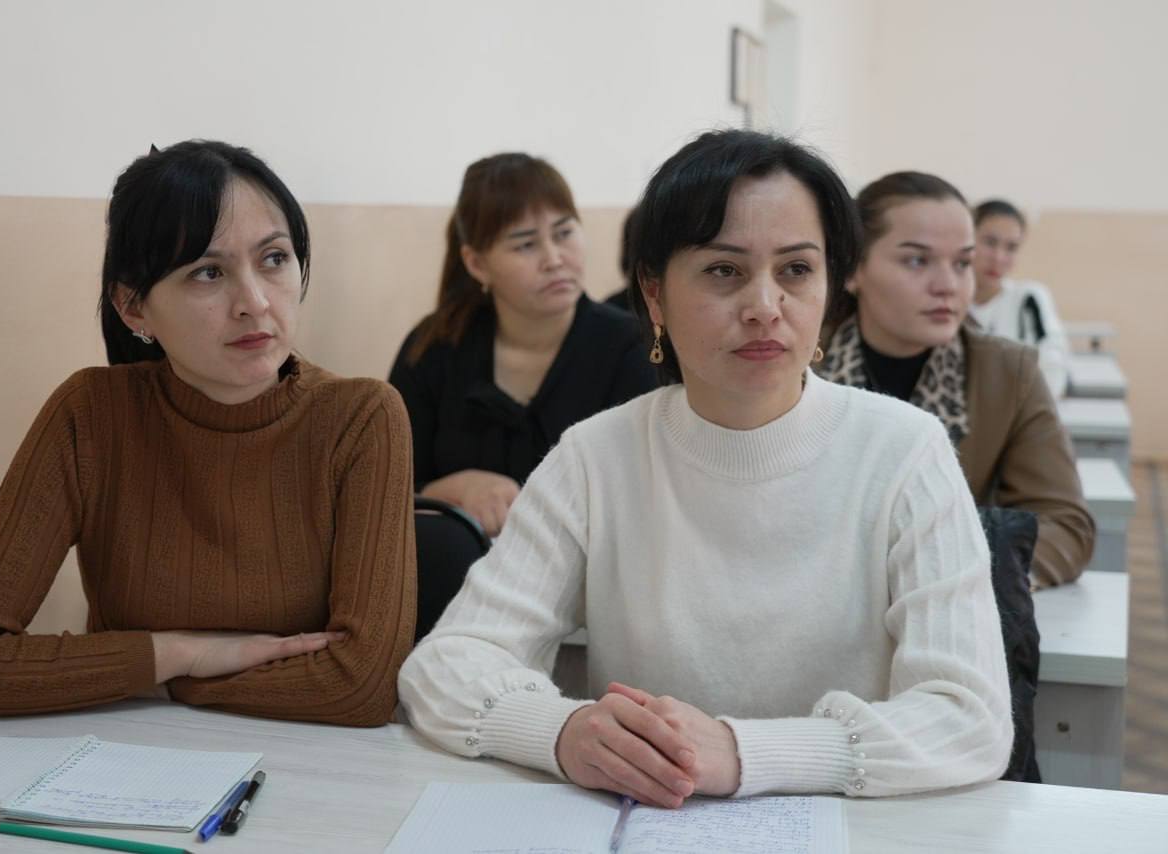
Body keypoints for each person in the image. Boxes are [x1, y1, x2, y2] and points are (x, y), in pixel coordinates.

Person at [399, 130, 1012, 806]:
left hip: (849, 829)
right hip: (646, 821)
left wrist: (743, 753)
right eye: (723, 271)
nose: (765, 307)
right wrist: (563, 731)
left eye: (796, 270)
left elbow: (970, 720)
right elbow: (445, 667)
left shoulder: (905, 450)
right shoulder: (596, 457)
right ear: (654, 295)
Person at [0, 141, 416, 724]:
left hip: (310, 759)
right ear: (134, 307)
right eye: (208, 272)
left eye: (275, 259)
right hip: (128, 757)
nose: (255, 303)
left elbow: (361, 684)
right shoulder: (91, 414)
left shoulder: (361, 417)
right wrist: (187, 653)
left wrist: (162, 680)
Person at [819, 172, 1093, 588]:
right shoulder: (798, 365)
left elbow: (1066, 528)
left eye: (963, 263)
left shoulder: (1009, 373)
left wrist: (935, 564)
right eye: (917, 261)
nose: (948, 286)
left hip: (940, 603)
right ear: (854, 270)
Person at [389, 153, 656, 538]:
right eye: (526, 244)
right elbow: (387, 489)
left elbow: (641, 496)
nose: (554, 259)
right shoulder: (433, 348)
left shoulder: (631, 347)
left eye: (564, 233)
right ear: (477, 264)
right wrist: (446, 491)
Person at [969, 199, 1069, 399]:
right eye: (990, 242)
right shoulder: (947, 300)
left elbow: (1054, 370)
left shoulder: (1029, 299)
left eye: (1011, 247)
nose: (998, 257)